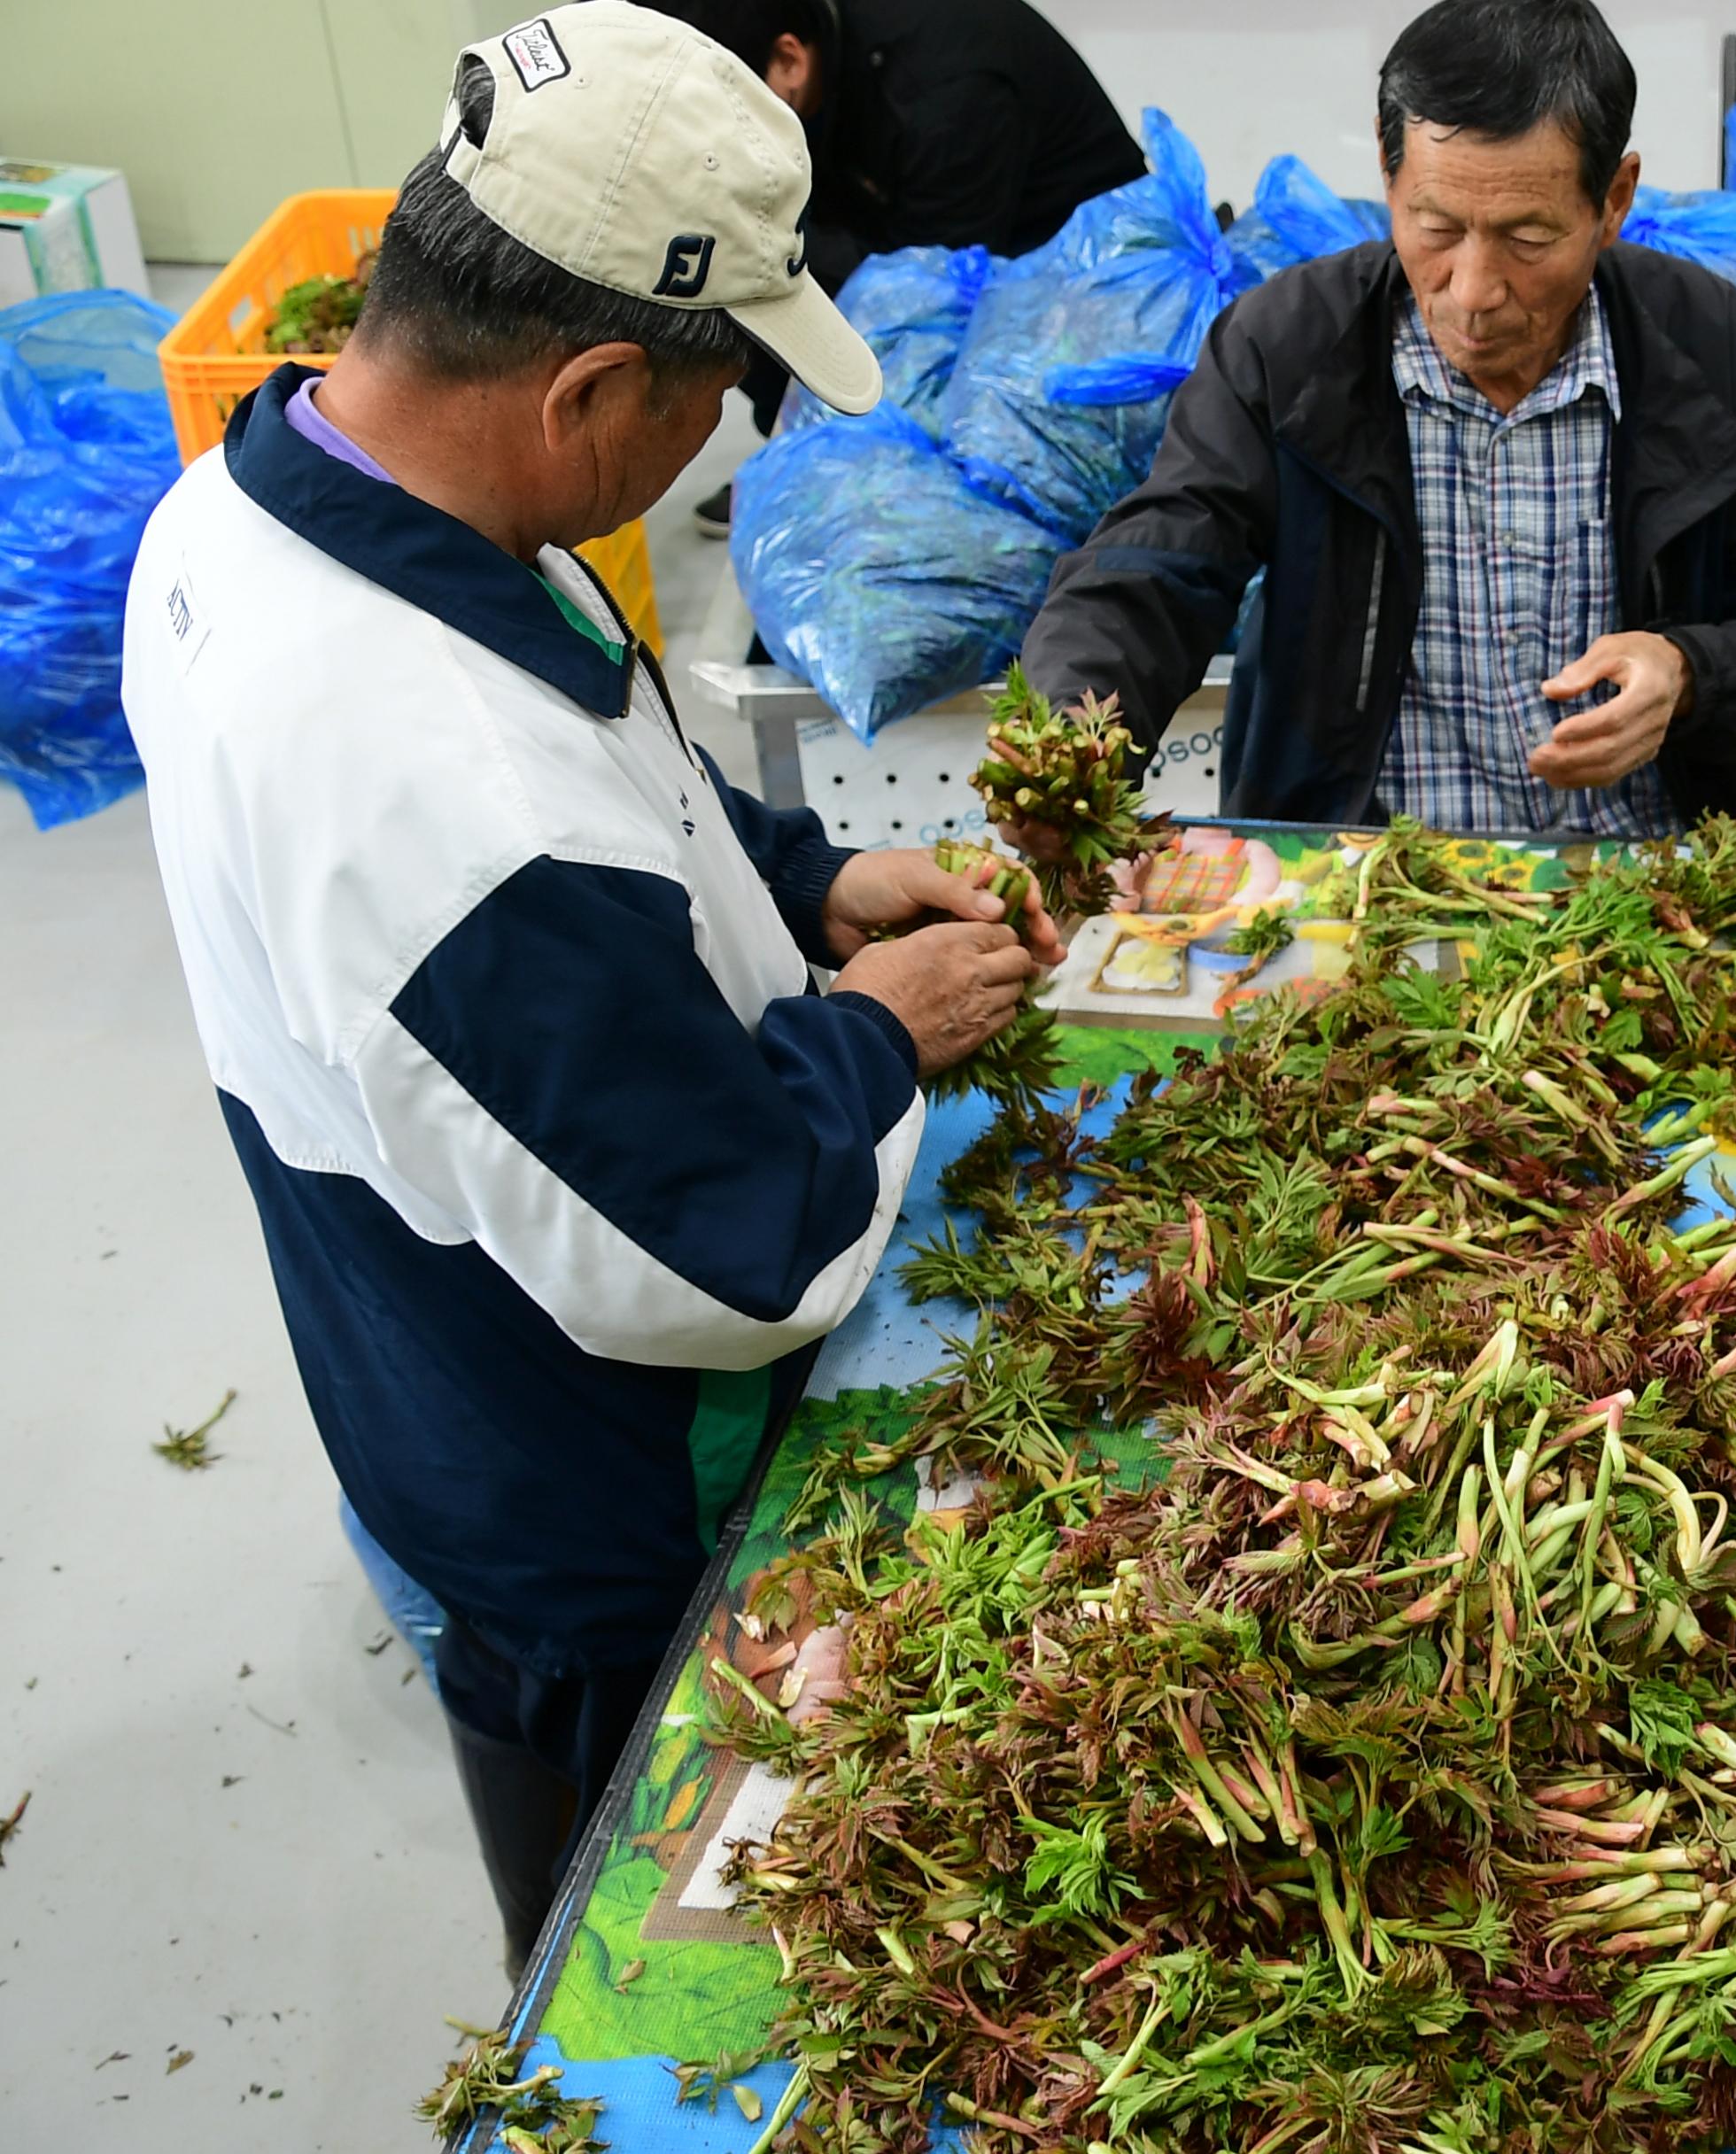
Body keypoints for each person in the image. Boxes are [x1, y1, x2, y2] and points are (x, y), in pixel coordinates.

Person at [118, 1, 1061, 1974]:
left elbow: (605, 769)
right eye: (717, 400)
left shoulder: (279, 493)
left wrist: (808, 882)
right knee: (670, 1927)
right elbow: (722, 1262)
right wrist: (879, 1027)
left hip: (421, 1297)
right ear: (592, 385)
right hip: (581, 1465)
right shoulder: (433, 800)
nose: (721, 442)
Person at [1013, 0, 1736, 839]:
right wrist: (1066, 748)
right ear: (1391, 184)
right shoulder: (1288, 349)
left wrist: (1689, 675)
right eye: (1436, 227)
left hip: (1645, 884)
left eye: (1528, 237)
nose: (1472, 292)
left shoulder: (1713, 350)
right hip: (1356, 891)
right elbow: (1158, 565)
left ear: (1613, 200)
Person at [651, 0, 1148, 517]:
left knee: (757, 263)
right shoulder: (824, 50)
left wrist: (753, 235)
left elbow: (927, 300)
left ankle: (851, 476)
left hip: (1077, 276)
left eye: (722, 112)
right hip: (938, 214)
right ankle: (803, 455)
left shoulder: (944, 98)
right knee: (727, 262)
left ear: (789, 60)